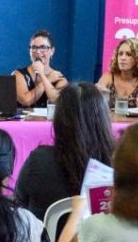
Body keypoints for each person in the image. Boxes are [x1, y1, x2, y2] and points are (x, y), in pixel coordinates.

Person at [14, 82, 115, 221]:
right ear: (103, 118)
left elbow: (20, 206)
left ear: (59, 118)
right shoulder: (119, 163)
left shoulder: (39, 161)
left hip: (47, 241)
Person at [95, 37, 138, 110]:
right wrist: (97, 91)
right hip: (111, 121)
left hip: (137, 121)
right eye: (120, 54)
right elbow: (97, 101)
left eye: (128, 54)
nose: (123, 58)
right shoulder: (109, 76)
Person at [14, 29, 68, 108]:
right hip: (24, 120)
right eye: (34, 47)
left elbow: (56, 102)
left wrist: (42, 75)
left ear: (52, 51)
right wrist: (48, 79)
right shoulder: (18, 75)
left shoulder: (59, 78)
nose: (38, 52)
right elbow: (26, 101)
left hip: (49, 120)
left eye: (43, 47)